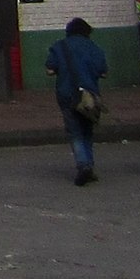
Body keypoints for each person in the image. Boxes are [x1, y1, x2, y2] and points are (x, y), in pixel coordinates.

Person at [46, 15, 111, 186]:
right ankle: (89, 165)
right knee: (87, 131)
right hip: (89, 96)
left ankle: (83, 166)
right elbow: (103, 72)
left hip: (67, 93)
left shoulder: (59, 46)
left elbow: (50, 70)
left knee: (74, 131)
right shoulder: (94, 48)